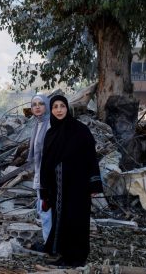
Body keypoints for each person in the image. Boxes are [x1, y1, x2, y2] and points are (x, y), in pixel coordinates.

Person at [40, 95, 103, 267]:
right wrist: (44, 189)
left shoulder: (80, 130)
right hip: (58, 188)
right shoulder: (51, 133)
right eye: (55, 107)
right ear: (51, 110)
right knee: (61, 219)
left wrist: (94, 183)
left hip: (78, 187)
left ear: (67, 108)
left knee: (77, 219)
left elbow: (91, 157)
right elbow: (45, 163)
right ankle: (65, 255)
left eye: (62, 106)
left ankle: (78, 257)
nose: (59, 110)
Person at [27, 94, 52, 252]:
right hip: (40, 174)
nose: (37, 107)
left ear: (47, 106)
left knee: (46, 209)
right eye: (34, 104)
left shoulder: (50, 125)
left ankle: (50, 244)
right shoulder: (37, 125)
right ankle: (48, 241)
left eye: (41, 104)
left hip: (48, 177)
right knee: (44, 209)